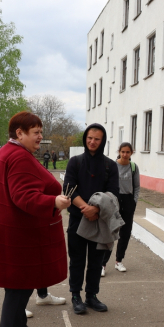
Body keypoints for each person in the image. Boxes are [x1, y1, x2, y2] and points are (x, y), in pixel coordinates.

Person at [0, 111, 71, 327]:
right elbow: (24, 197)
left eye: (41, 132)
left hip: (13, 231)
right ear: (19, 133)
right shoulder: (19, 157)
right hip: (18, 235)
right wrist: (54, 201)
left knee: (22, 283)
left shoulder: (7, 152)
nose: (40, 136)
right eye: (36, 132)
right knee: (18, 287)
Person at [63, 124, 118, 315]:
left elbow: (113, 192)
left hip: (99, 220)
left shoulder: (110, 165)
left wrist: (96, 209)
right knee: (77, 260)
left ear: (102, 141)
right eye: (89, 138)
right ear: (85, 138)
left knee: (96, 261)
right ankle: (76, 296)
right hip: (78, 219)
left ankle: (92, 296)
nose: (92, 142)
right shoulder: (75, 162)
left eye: (97, 139)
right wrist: (85, 208)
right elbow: (69, 188)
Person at [102, 142, 140, 275]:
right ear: (119, 152)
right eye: (123, 152)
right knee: (111, 232)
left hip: (128, 201)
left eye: (127, 152)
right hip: (114, 200)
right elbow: (106, 184)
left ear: (131, 153)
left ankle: (119, 261)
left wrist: (134, 202)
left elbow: (137, 187)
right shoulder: (112, 166)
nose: (125, 154)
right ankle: (103, 264)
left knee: (125, 233)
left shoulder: (133, 167)